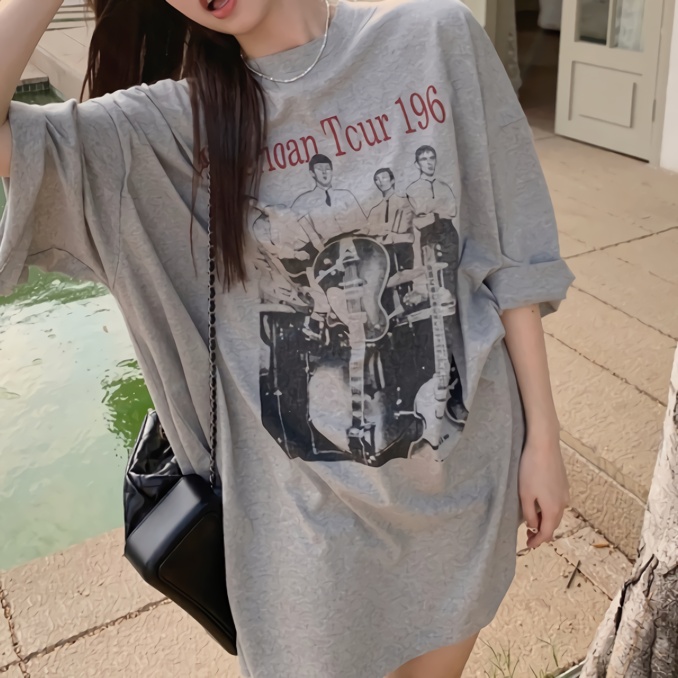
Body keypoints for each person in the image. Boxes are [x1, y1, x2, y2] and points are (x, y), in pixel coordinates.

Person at [0, 0, 574, 676]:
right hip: (304, 540)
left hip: (461, 491)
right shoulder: (168, 130)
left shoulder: (433, 37)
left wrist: (543, 440)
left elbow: (511, 255)